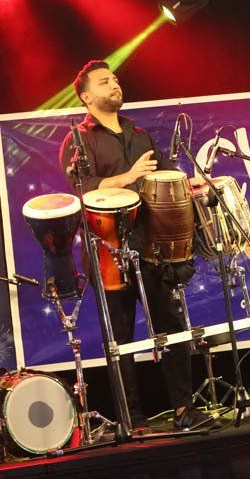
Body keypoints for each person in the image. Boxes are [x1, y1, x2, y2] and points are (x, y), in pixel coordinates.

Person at [58, 60, 205, 432]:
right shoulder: (77, 140)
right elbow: (83, 190)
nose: (115, 85)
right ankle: (132, 420)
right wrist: (129, 177)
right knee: (120, 340)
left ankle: (184, 410)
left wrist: (194, 189)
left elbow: (166, 177)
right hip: (108, 251)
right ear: (86, 96)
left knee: (172, 328)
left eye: (116, 79)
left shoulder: (138, 134)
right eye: (105, 81)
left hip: (152, 245)